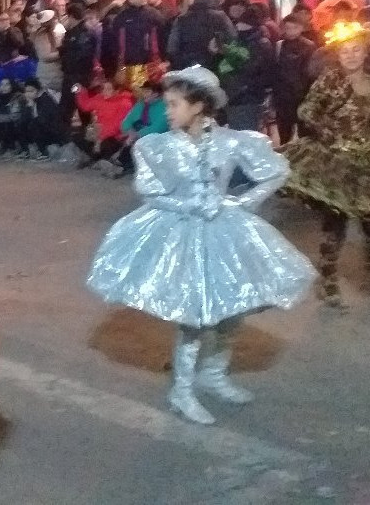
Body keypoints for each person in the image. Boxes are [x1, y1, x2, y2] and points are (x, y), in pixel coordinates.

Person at [87, 66, 314, 425]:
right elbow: (149, 192)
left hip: (224, 230)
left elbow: (275, 172)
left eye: (174, 104)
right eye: (167, 103)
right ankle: (182, 389)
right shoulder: (157, 145)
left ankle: (213, 374)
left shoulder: (231, 141)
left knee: (231, 310)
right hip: (180, 233)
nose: (168, 111)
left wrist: (243, 203)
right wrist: (187, 205)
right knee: (193, 317)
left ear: (198, 106)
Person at [284, 22, 370, 308]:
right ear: (338, 54)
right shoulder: (330, 80)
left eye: (357, 50)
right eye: (346, 51)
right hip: (337, 162)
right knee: (336, 224)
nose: (352, 56)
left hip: (366, 161)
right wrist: (330, 134)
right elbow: (306, 110)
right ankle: (328, 282)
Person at [218, 5, 275, 132]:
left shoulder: (259, 44)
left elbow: (249, 69)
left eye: (241, 23)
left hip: (246, 97)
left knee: (244, 133)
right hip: (238, 95)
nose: (237, 26)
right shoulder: (244, 41)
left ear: (249, 25)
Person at [166, 0, 236, 71]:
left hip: (186, 67)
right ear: (213, 0)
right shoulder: (220, 17)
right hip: (213, 66)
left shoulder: (181, 19)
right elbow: (233, 39)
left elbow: (172, 48)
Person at [73, 78, 134, 173]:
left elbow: (116, 126)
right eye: (103, 89)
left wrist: (99, 140)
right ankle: (97, 157)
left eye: (108, 89)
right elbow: (86, 106)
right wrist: (81, 91)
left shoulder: (124, 103)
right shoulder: (99, 98)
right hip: (99, 133)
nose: (104, 91)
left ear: (116, 91)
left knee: (106, 145)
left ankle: (95, 157)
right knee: (76, 136)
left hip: (115, 136)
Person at [273, 14, 318, 144]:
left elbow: (312, 72)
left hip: (302, 97)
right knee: (284, 135)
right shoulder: (279, 45)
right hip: (283, 98)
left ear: (301, 28)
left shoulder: (310, 46)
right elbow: (274, 70)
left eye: (295, 28)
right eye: (288, 28)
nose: (291, 31)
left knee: (304, 135)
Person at [113, 0, 165, 89]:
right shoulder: (122, 17)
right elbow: (117, 42)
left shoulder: (154, 14)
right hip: (132, 62)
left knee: (154, 92)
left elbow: (162, 35)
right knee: (136, 92)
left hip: (152, 62)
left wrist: (162, 59)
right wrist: (120, 64)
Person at [116, 80, 169, 174]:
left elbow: (158, 128)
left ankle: (122, 163)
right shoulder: (140, 104)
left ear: (156, 94)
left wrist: (136, 135)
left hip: (157, 139)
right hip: (138, 134)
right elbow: (126, 122)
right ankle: (123, 163)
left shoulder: (163, 107)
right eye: (144, 91)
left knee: (136, 143)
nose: (144, 94)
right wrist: (130, 131)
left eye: (147, 91)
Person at [59, 3, 100, 124]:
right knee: (74, 106)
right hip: (74, 76)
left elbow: (82, 55)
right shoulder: (74, 32)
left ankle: (82, 136)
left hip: (77, 77)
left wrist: (65, 57)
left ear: (71, 16)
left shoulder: (84, 33)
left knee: (75, 105)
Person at [17, 78, 65, 160]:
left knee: (34, 125)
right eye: (26, 92)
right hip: (39, 131)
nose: (28, 94)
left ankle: (44, 152)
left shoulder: (45, 100)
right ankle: (26, 150)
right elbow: (23, 120)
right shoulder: (27, 101)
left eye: (31, 91)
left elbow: (43, 121)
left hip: (52, 132)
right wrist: (29, 107)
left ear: (38, 90)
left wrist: (32, 107)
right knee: (20, 125)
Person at [31, 9, 65, 94]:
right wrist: (62, 52)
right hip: (47, 74)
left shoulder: (54, 32)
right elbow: (44, 56)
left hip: (56, 73)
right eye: (54, 19)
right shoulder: (41, 35)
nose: (56, 20)